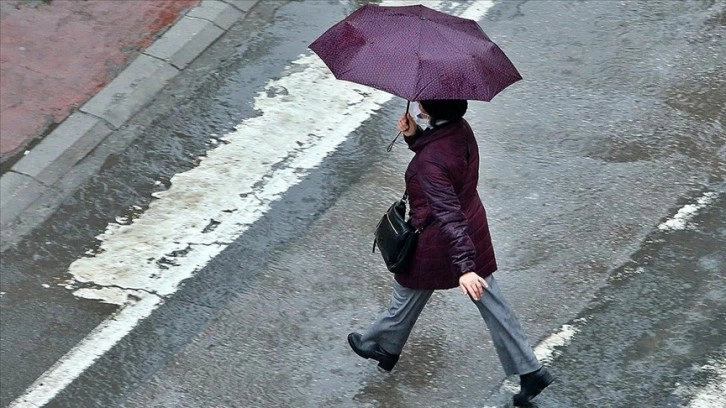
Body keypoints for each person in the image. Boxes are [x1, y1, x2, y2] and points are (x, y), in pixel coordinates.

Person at [347, 99, 554, 406]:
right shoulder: (460, 130)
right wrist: (414, 137)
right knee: (488, 301)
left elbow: (445, 208)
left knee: (407, 290)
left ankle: (380, 345)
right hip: (471, 227)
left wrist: (465, 268)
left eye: (423, 102)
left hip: (441, 239)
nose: (417, 103)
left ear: (433, 110)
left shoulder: (431, 160)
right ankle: (530, 371)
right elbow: (445, 165)